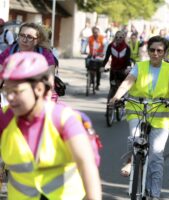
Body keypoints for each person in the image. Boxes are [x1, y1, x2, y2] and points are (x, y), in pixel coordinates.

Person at [0, 52, 102, 200]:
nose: (9, 97)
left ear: (39, 89)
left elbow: (87, 164)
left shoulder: (63, 119)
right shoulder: (5, 117)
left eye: (17, 91)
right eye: (6, 90)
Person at [109, 36, 169, 199]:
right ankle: (131, 160)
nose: (155, 53)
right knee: (134, 138)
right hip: (137, 108)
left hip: (161, 113)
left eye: (159, 50)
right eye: (152, 50)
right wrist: (117, 96)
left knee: (156, 155)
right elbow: (128, 82)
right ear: (148, 51)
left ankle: (154, 193)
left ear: (164, 53)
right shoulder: (140, 66)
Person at [102, 31, 131, 103]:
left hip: (123, 70)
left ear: (124, 38)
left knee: (123, 87)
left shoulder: (127, 47)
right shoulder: (111, 46)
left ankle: (123, 101)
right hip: (114, 70)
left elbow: (128, 60)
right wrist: (102, 66)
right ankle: (110, 104)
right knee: (112, 87)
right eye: (116, 37)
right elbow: (106, 57)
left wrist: (128, 68)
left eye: (120, 37)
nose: (118, 39)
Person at [88, 26, 105, 90]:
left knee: (98, 70)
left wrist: (102, 53)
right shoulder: (90, 38)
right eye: (94, 32)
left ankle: (97, 84)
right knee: (89, 65)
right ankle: (90, 78)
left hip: (100, 55)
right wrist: (90, 53)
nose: (95, 34)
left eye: (96, 32)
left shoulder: (102, 38)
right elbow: (90, 47)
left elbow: (104, 46)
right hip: (92, 54)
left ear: (99, 32)